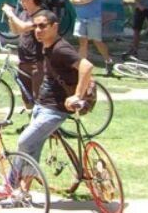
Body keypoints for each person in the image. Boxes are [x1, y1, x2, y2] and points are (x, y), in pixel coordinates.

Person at [15, 11, 94, 190]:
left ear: (55, 26)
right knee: (33, 147)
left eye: (43, 26)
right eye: (35, 26)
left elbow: (86, 66)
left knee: (24, 142)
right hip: (42, 105)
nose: (38, 30)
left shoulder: (60, 49)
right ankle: (22, 190)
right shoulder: (47, 46)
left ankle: (11, 186)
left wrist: (77, 95)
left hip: (54, 109)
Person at [1, 0, 48, 106]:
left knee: (39, 100)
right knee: (27, 99)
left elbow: (23, 27)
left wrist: (11, 14)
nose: (21, 1)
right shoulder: (24, 14)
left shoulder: (42, 15)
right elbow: (16, 31)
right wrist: (10, 18)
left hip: (37, 63)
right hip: (24, 61)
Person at [70, 0, 112, 69]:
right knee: (82, 43)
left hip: (93, 18)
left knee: (97, 41)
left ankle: (108, 60)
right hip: (80, 18)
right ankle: (81, 67)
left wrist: (79, 0)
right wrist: (82, 0)